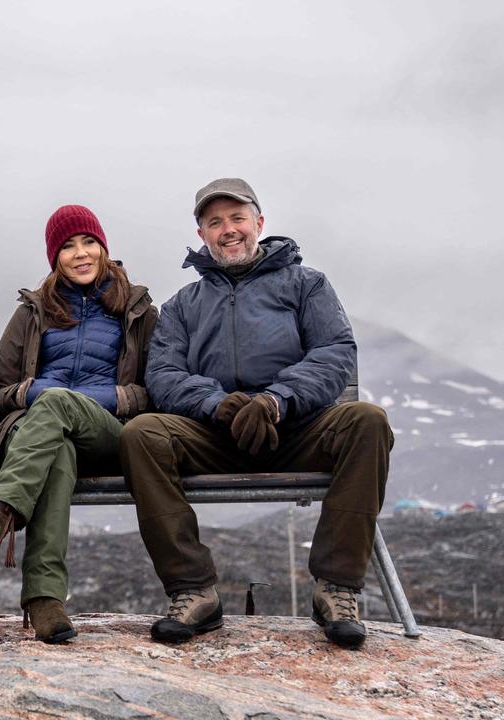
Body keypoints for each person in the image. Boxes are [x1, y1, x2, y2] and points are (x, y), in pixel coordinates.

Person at [120, 178, 393, 649]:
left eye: (237, 218)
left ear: (259, 223)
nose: (228, 230)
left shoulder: (307, 284)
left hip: (295, 428)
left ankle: (336, 590)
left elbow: (334, 353)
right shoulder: (183, 305)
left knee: (367, 421)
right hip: (213, 436)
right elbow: (162, 374)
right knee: (142, 433)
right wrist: (216, 404)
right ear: (202, 234)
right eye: (215, 222)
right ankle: (193, 591)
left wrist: (275, 400)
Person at [0, 205, 158, 643]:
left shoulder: (136, 309)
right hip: (42, 438)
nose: (80, 254)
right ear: (54, 257)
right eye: (67, 247)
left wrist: (92, 397)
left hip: (109, 434)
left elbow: (153, 390)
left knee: (59, 404)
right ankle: (45, 600)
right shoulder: (33, 311)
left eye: (88, 243)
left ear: (103, 247)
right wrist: (31, 394)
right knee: (55, 444)